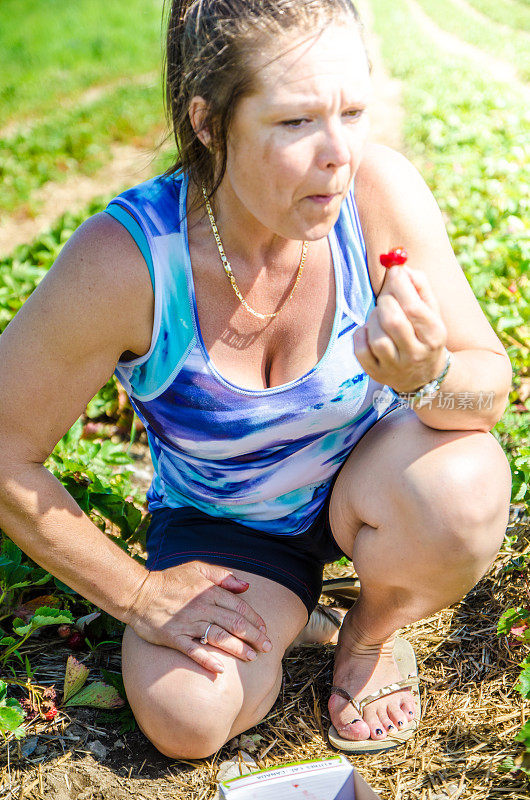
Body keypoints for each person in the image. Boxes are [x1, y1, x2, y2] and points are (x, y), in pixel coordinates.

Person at [0, 0, 513, 758]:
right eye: (296, 122)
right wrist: (139, 594)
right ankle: (293, 611)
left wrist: (430, 375)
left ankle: (369, 632)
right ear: (209, 123)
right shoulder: (129, 262)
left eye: (353, 109)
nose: (338, 152)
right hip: (227, 526)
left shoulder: (374, 194)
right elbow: (5, 450)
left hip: (370, 487)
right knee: (186, 717)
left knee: (464, 487)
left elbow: (488, 382)